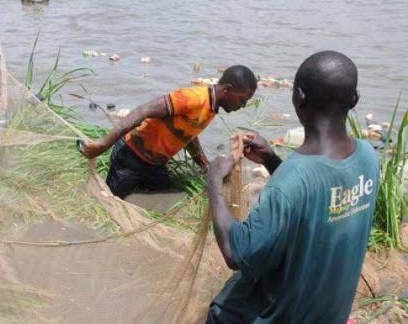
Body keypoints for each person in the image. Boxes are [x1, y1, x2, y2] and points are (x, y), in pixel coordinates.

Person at [205, 51, 379, 323]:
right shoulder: (368, 157)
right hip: (330, 312)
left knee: (221, 310)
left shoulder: (290, 182)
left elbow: (235, 253)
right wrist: (272, 160)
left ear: (298, 96)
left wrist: (214, 183)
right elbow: (315, 201)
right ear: (354, 99)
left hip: (287, 315)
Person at [80, 66, 257, 199]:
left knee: (164, 192)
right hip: (131, 157)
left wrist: (203, 164)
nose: (242, 106)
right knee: (108, 201)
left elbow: (188, 134)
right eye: (242, 100)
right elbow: (143, 111)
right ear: (227, 89)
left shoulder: (212, 107)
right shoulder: (192, 98)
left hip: (155, 163)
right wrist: (103, 144)